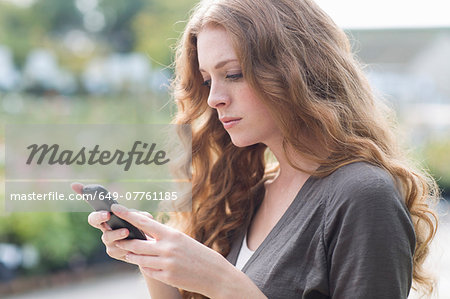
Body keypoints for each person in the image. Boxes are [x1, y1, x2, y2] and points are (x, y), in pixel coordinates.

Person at [73, 0, 440, 298]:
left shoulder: (361, 195)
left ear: (296, 70)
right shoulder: (251, 192)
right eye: (206, 80)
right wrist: (152, 256)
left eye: (233, 74)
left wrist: (223, 284)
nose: (215, 98)